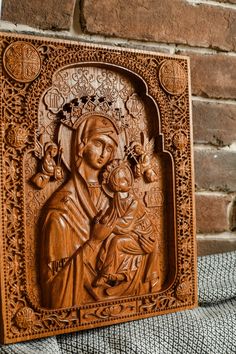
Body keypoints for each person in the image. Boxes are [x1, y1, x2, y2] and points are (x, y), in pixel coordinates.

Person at [40, 112, 119, 308]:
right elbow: (55, 287)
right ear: (82, 144)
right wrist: (95, 241)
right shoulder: (61, 208)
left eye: (109, 148)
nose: (104, 154)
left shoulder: (113, 197)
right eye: (99, 143)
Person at [92, 159, 157, 297]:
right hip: (132, 234)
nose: (127, 181)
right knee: (109, 240)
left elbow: (126, 225)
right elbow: (111, 214)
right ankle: (118, 278)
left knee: (117, 242)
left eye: (127, 178)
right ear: (114, 184)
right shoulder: (116, 199)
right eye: (121, 180)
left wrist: (109, 224)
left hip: (143, 237)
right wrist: (102, 219)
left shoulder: (133, 201)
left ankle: (107, 274)